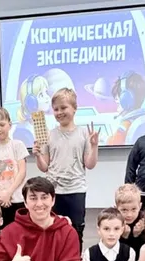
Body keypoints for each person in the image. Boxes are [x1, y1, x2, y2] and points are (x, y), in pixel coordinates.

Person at [33, 88, 99, 250]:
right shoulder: (48, 135)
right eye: (56, 109)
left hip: (76, 190)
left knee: (76, 230)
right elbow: (44, 167)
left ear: (74, 108)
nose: (59, 112)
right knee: (53, 230)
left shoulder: (83, 134)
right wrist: (38, 155)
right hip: (54, 191)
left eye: (63, 108)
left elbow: (90, 164)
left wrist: (94, 146)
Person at [0, 107, 28, 227]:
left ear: (10, 125)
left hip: (17, 199)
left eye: (2, 125)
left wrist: (8, 193)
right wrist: (1, 194)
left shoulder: (18, 145)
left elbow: (22, 172)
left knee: (19, 231)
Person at [116, 183, 145, 261]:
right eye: (124, 210)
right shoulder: (114, 219)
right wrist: (123, 237)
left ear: (140, 206)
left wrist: (137, 236)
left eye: (134, 209)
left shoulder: (144, 220)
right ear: (117, 207)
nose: (129, 214)